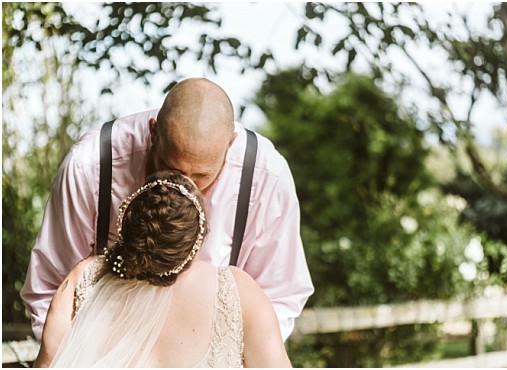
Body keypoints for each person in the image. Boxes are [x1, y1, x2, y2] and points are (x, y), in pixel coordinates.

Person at [21, 78, 314, 342]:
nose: (185, 187)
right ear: (153, 132)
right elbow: (50, 287)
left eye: (202, 177)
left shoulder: (266, 177)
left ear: (230, 146)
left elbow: (280, 296)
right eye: (171, 167)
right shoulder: (89, 166)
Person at [33, 171, 292, 367]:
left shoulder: (84, 278)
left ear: (128, 225)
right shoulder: (238, 291)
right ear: (195, 240)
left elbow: (48, 363)